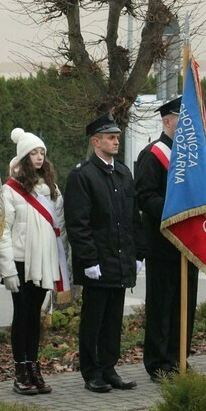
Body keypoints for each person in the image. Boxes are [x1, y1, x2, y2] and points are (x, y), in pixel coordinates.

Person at [65, 112, 144, 393]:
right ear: (96, 141)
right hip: (98, 261)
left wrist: (138, 255)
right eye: (110, 137)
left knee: (113, 319)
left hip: (120, 258)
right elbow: (79, 223)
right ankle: (91, 370)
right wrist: (88, 260)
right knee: (94, 319)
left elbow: (133, 218)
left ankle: (109, 367)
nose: (116, 141)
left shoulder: (123, 173)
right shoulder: (83, 176)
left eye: (117, 137)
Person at [0, 128, 65, 395]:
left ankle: (34, 366)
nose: (39, 157)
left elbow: (59, 228)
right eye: (33, 153)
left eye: (42, 152)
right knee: (22, 315)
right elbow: (3, 233)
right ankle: (20, 370)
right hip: (21, 263)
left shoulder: (52, 190)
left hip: (43, 262)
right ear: (23, 158)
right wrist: (7, 269)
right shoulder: (10, 191)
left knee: (35, 316)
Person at [135, 97, 196, 382]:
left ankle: (179, 356)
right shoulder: (152, 155)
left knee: (185, 303)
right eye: (179, 118)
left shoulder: (192, 158)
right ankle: (159, 362)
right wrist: (175, 209)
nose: (185, 124)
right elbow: (146, 197)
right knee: (162, 305)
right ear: (166, 121)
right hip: (163, 244)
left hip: (189, 243)